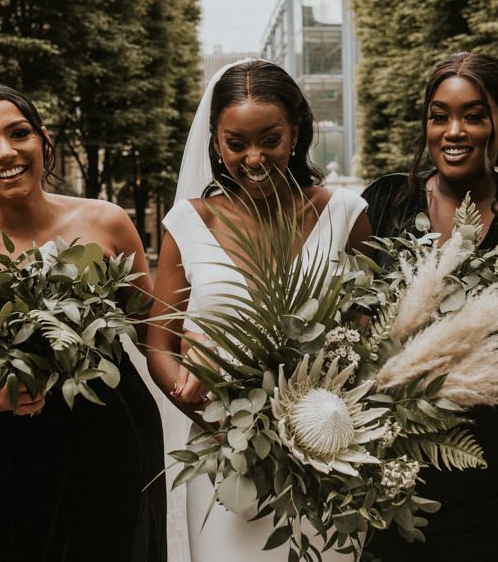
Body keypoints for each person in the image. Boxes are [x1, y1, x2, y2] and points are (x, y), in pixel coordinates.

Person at [0, 84, 167, 562]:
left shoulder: (107, 222)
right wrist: (2, 393)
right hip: (22, 446)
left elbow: (155, 331)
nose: (5, 152)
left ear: (44, 142)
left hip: (117, 429)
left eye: (19, 133)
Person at [146, 59, 371, 561]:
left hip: (326, 457)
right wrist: (201, 407)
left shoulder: (346, 215)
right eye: (236, 143)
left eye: (270, 139)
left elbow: (368, 336)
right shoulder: (187, 223)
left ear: (297, 133)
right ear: (215, 144)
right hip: (224, 458)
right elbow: (158, 344)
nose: (254, 158)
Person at [362, 52, 498, 561]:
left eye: (474, 115)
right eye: (439, 115)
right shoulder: (383, 204)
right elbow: (349, 320)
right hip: (404, 482)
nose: (453, 131)